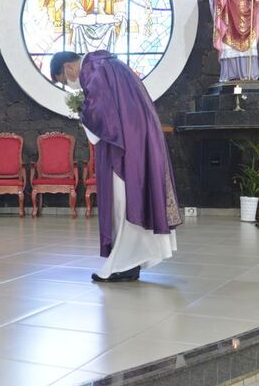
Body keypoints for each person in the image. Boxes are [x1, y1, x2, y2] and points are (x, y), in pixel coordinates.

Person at [50, 50, 182, 282]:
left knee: (124, 203)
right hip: (138, 139)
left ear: (69, 68)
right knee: (134, 199)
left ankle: (124, 264)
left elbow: (102, 115)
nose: (70, 85)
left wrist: (83, 114)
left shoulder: (95, 70)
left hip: (123, 148)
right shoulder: (111, 64)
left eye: (64, 81)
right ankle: (132, 261)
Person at [210, 0, 259, 82]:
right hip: (229, 21)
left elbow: (255, 0)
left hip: (248, 21)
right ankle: (231, 75)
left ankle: (250, 75)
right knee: (229, 48)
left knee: (249, 48)